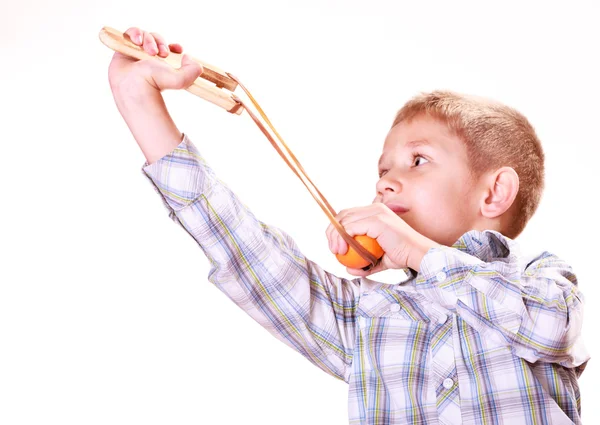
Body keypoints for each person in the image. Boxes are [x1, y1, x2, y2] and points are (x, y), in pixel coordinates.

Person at [108, 26, 590, 424]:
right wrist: (140, 103)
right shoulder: (369, 313)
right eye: (382, 171)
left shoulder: (541, 280)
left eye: (417, 160)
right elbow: (250, 256)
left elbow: (548, 325)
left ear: (494, 193)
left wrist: (418, 252)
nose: (386, 183)